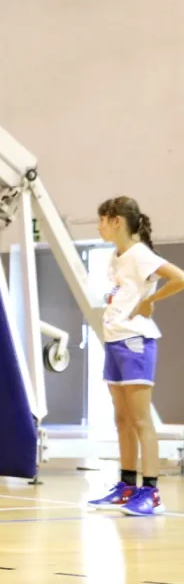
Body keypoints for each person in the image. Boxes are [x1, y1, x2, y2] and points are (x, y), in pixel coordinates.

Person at [87, 197, 184, 517]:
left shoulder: (140, 254)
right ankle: (126, 485)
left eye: (102, 220)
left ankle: (151, 492)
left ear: (117, 221)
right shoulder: (118, 257)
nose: (99, 226)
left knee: (141, 420)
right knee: (122, 420)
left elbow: (179, 277)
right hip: (114, 341)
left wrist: (150, 301)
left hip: (135, 343)